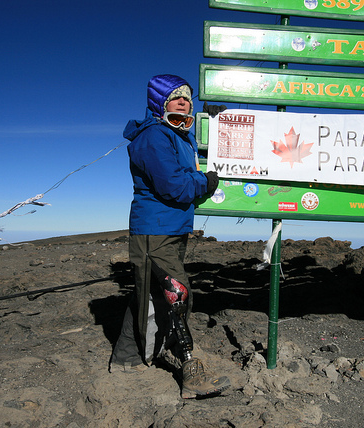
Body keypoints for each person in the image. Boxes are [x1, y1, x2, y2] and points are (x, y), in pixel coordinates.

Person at [109, 74, 230, 399]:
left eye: (187, 97)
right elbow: (174, 185)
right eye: (175, 96)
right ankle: (189, 371)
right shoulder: (154, 137)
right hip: (155, 231)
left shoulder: (178, 136)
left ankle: (126, 360)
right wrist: (206, 183)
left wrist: (217, 124)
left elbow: (190, 164)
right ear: (158, 101)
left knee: (149, 294)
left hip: (167, 230)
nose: (183, 101)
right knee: (177, 294)